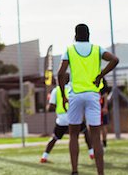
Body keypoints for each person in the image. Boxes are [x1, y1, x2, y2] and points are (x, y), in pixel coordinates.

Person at [58, 24, 119, 175]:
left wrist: (63, 95)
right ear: (89, 34)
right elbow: (115, 60)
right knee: (96, 136)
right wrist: (100, 75)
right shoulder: (97, 49)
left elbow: (60, 74)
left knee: (73, 135)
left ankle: (74, 171)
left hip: (75, 95)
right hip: (92, 95)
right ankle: (100, 173)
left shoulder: (69, 50)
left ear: (75, 35)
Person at [40, 79, 94, 163]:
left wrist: (50, 102)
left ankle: (44, 156)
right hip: (74, 117)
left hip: (62, 119)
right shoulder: (73, 88)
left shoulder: (55, 90)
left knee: (55, 138)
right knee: (85, 132)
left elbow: (50, 107)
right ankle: (91, 152)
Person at [99, 79, 112, 152]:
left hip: (101, 107)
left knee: (103, 126)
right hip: (95, 107)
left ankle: (104, 143)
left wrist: (105, 107)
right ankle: (96, 143)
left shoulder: (101, 80)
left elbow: (105, 95)